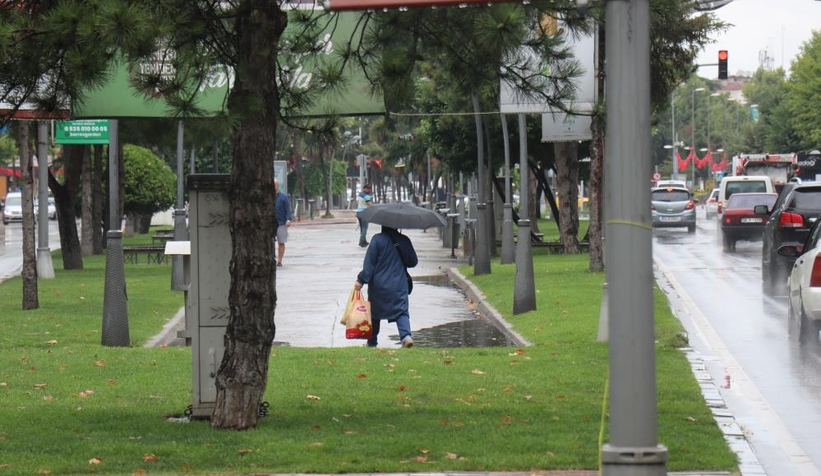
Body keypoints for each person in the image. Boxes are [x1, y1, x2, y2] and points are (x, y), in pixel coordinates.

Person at [354, 225, 418, 348]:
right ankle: (406, 336)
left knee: (374, 313)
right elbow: (413, 262)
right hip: (399, 284)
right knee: (401, 311)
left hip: (379, 285)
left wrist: (360, 280)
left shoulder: (377, 240)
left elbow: (369, 264)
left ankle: (372, 342)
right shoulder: (404, 240)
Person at [274, 178, 292, 267]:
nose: (274, 187)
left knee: (281, 242)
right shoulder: (267, 197)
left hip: (281, 223)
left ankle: (280, 260)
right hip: (269, 223)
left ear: (278, 186)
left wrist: (288, 219)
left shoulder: (283, 197)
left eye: (275, 185)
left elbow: (288, 209)